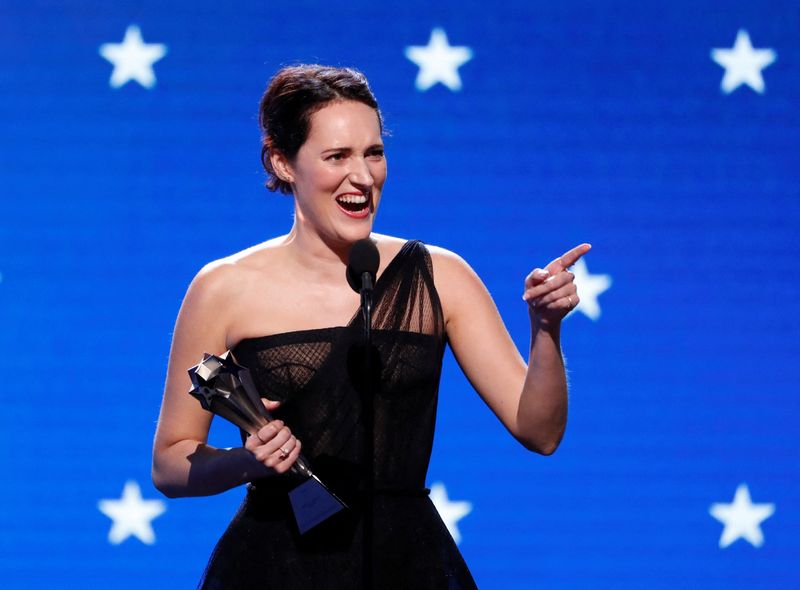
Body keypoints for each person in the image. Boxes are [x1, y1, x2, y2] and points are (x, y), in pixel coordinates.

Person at [152, 64, 590, 589]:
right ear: (281, 162)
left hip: (406, 565)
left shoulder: (439, 276)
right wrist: (247, 462)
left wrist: (545, 329)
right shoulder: (224, 287)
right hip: (275, 567)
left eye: (374, 153)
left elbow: (540, 432)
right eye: (337, 156)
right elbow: (171, 465)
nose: (363, 176)